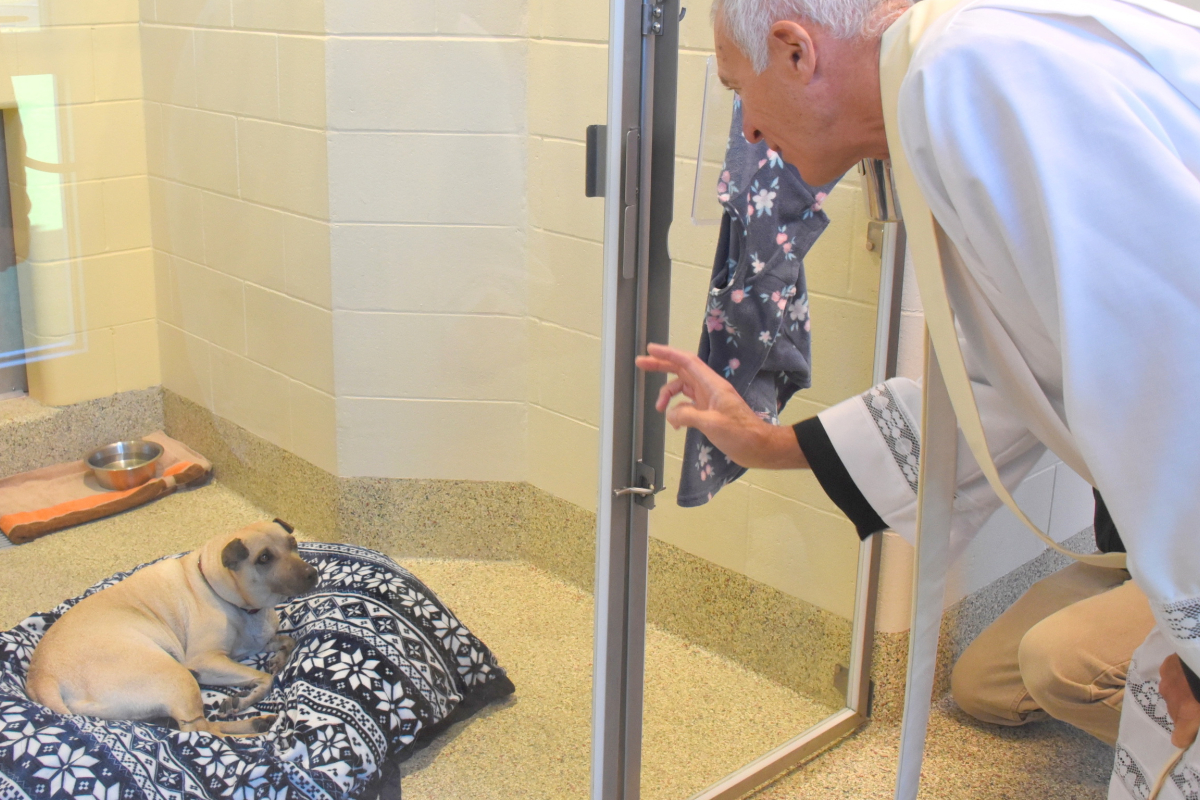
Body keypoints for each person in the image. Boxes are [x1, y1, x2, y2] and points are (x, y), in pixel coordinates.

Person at [635, 0, 1200, 791]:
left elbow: (1174, 367)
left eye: (739, 87)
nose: (749, 132)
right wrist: (769, 444)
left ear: (798, 52)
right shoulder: (957, 72)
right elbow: (997, 386)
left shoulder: (967, 76)